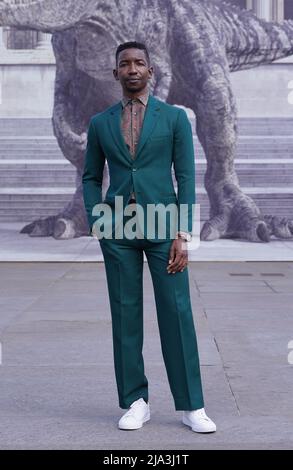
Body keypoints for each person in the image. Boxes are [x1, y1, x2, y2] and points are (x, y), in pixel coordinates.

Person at [82, 41, 216, 433]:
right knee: (125, 316)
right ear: (116, 73)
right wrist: (97, 218)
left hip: (164, 227)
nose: (133, 69)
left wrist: (183, 233)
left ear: (150, 71)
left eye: (140, 63)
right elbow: (91, 176)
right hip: (118, 228)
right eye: (125, 64)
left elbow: (187, 177)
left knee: (177, 314)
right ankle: (135, 401)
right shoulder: (100, 123)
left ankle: (192, 405)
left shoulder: (174, 118)